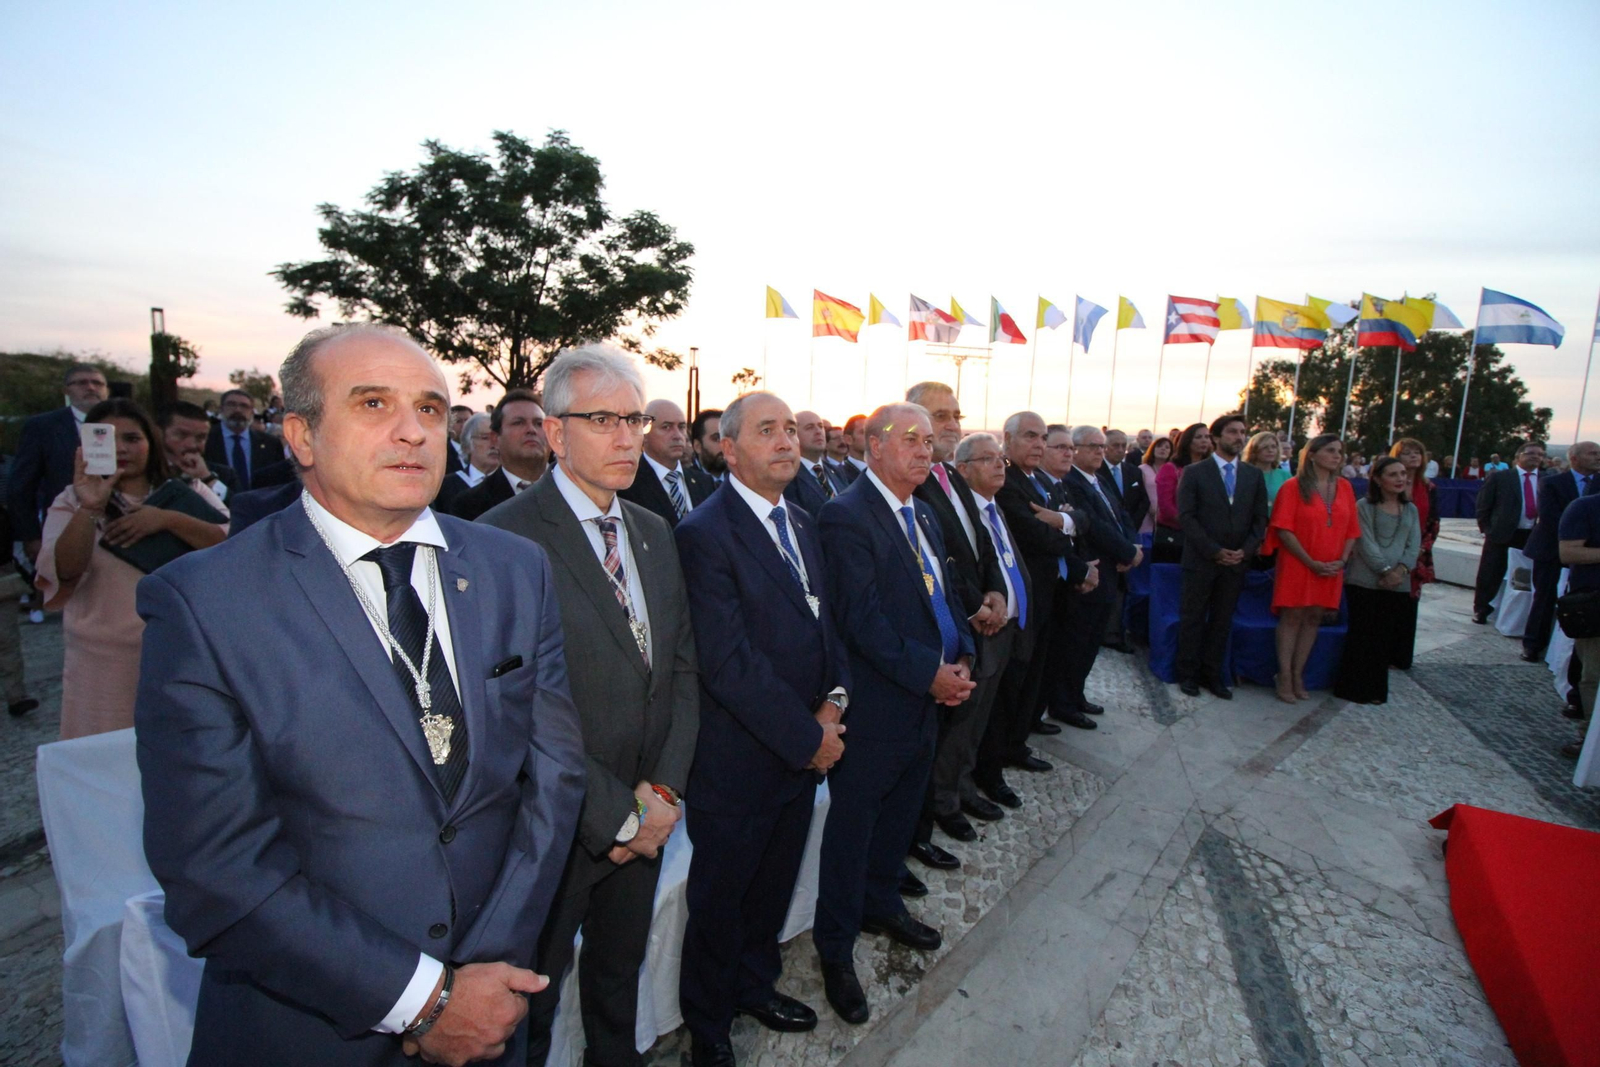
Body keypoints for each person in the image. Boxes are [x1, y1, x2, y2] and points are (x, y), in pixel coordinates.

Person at [135, 323, 586, 1065]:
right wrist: (425, 999)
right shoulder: (204, 603)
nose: (413, 430)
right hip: (308, 1024)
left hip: (493, 1002)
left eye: (433, 409)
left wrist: (486, 973)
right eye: (373, 403)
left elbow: (555, 775)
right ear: (300, 435)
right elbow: (215, 871)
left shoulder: (515, 569)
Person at [476, 349, 698, 1067]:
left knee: (617, 976)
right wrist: (618, 814)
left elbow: (681, 669)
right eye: (603, 419)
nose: (627, 435)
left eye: (634, 418)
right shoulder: (503, 537)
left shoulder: (652, 529)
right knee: (530, 1002)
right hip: (551, 823)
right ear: (554, 431)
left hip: (647, 810)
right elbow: (516, 703)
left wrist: (661, 793)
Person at [673, 392, 849, 1067]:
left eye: (790, 429)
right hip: (741, 763)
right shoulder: (704, 534)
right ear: (729, 447)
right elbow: (729, 663)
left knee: (771, 890)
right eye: (766, 430)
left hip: (805, 752)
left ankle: (755, 986)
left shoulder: (802, 520)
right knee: (721, 903)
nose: (785, 441)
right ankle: (708, 1028)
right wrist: (811, 739)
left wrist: (833, 707)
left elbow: (825, 630)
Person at [813, 402, 975, 1025]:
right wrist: (926, 674)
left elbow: (945, 593)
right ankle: (834, 949)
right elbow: (861, 621)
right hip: (879, 703)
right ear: (873, 446)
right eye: (910, 438)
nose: (923, 449)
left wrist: (959, 657)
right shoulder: (846, 515)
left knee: (900, 816)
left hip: (927, 700)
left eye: (929, 440)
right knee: (852, 831)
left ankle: (882, 903)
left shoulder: (924, 513)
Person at [38, 398, 227, 739]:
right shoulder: (70, 501)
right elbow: (63, 570)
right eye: (106, 439)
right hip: (103, 659)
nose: (120, 448)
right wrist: (90, 507)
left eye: (131, 438)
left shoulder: (186, 491)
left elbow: (230, 546)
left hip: (183, 650)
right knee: (106, 760)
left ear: (150, 442)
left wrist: (167, 519)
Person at [906, 384, 1007, 864]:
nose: (951, 424)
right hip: (943, 632)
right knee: (933, 738)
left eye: (955, 414)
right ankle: (925, 819)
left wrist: (995, 590)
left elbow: (977, 544)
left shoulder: (950, 476)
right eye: (939, 415)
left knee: (962, 728)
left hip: (973, 621)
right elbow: (937, 565)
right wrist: (974, 607)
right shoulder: (911, 481)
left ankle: (950, 797)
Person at [1175, 414, 1269, 699]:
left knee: (1222, 620)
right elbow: (1187, 518)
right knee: (1193, 618)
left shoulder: (1253, 475)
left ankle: (1212, 674)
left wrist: (1245, 551)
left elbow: (1259, 520)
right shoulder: (1195, 473)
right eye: (1232, 432)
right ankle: (1187, 674)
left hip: (1236, 563)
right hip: (1202, 560)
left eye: (1243, 432)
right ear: (1216, 437)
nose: (1239, 437)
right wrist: (1214, 550)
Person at [1050, 426, 1140, 722]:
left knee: (1092, 641)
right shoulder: (1072, 483)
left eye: (1103, 446)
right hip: (1093, 569)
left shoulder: (1100, 479)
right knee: (1077, 641)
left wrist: (1133, 545)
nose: (1101, 451)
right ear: (1076, 449)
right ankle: (1064, 704)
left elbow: (1121, 514)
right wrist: (1126, 552)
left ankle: (1077, 695)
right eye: (1094, 446)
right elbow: (1095, 528)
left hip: (1112, 570)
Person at [1268, 434, 1360, 703]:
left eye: (1340, 452)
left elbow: (1352, 528)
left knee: (1313, 618)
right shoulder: (1294, 486)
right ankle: (1284, 674)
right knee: (1293, 616)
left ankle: (1299, 674)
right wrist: (1310, 562)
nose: (1337, 456)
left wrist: (1342, 560)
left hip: (1332, 565)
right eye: (1331, 450)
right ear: (1313, 454)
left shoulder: (1345, 487)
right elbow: (1283, 529)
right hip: (1299, 562)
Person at [1333, 457, 1421, 706]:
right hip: (1365, 581)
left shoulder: (1411, 509)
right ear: (1379, 479)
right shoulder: (1364, 506)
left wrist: (1401, 570)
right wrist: (1384, 570)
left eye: (1403, 474)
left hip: (1398, 584)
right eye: (1393, 474)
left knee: (1384, 637)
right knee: (1363, 635)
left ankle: (1375, 690)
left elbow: (1413, 544)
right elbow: (1365, 541)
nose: (1400, 479)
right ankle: (1352, 688)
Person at [6, 362, 108, 565]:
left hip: (117, 528)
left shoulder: (123, 425)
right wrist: (31, 536)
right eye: (81, 383)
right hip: (62, 525)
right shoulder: (43, 427)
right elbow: (21, 486)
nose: (90, 387)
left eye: (97, 383)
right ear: (66, 390)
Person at [1521, 442, 1598, 662]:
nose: (1598, 457)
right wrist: (1574, 540)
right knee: (1544, 597)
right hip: (1550, 549)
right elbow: (1550, 518)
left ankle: (1574, 651)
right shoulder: (1551, 483)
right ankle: (1533, 644)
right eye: (1593, 453)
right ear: (1574, 458)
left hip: (1587, 552)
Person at [1472, 441, 1546, 625]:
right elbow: (1483, 505)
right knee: (1491, 572)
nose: (1535, 457)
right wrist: (1488, 529)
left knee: (1523, 576)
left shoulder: (1547, 480)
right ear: (1518, 457)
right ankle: (1481, 609)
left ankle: (1516, 614)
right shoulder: (1502, 478)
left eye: (1539, 454)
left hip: (1532, 534)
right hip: (1502, 534)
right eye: (1530, 453)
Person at [448, 391, 547, 522]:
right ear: (495, 438)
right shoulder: (470, 505)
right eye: (518, 422)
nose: (531, 430)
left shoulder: (574, 489)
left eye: (539, 423)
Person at [618, 399, 717, 527]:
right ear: (644, 433)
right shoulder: (627, 484)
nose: (677, 435)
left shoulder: (705, 483)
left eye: (681, 427)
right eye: (666, 427)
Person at [1386, 439, 1439, 668]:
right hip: (1388, 550)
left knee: (1409, 602)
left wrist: (1420, 548)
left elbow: (1433, 522)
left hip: (1417, 552)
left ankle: (1401, 655)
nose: (1413, 457)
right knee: (1388, 601)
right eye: (1407, 453)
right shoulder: (1385, 485)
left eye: (1417, 452)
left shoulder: (1429, 488)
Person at [1558, 493, 1600, 758]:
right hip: (1595, 606)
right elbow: (1568, 552)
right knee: (1593, 676)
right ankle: (1591, 738)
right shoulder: (1584, 507)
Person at [159, 401, 240, 502]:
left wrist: (207, 478)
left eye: (201, 437)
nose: (192, 445)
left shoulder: (225, 475)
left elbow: (239, 511)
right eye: (182, 435)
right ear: (159, 433)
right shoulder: (144, 472)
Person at [204, 388, 285, 489]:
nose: (238, 410)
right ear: (221, 409)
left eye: (244, 406)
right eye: (231, 404)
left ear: (252, 412)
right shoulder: (205, 440)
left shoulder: (271, 444)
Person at [1154, 423, 1211, 562]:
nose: (1204, 440)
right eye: (1198, 437)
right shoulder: (1171, 468)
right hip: (1175, 535)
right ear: (1188, 441)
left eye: (1207, 437)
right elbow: (1166, 506)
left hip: (1206, 537)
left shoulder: (1211, 469)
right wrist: (1193, 525)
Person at [783, 409, 850, 515]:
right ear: (793, 434)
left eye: (820, 426)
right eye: (809, 428)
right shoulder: (788, 476)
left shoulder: (836, 471)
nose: (818, 431)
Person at [434, 411, 498, 515]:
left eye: (497, 438)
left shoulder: (511, 484)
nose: (493, 445)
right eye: (485, 438)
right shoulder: (445, 487)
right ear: (467, 445)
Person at [1139, 435, 1173, 535]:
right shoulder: (1142, 469)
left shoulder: (1173, 470)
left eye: (1167, 447)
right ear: (1153, 449)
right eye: (1159, 446)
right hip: (1146, 518)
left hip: (1168, 520)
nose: (1163, 449)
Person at [690, 407, 726, 480]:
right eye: (716, 439)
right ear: (697, 446)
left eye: (727, 439)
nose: (724, 445)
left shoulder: (741, 479)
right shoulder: (686, 482)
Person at [446, 403, 472, 475]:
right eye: (458, 421)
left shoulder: (484, 450)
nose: (464, 425)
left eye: (467, 420)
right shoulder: (442, 454)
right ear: (448, 425)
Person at [840, 414, 868, 479]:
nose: (870, 436)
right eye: (863, 432)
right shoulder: (840, 475)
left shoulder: (884, 470)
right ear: (848, 439)